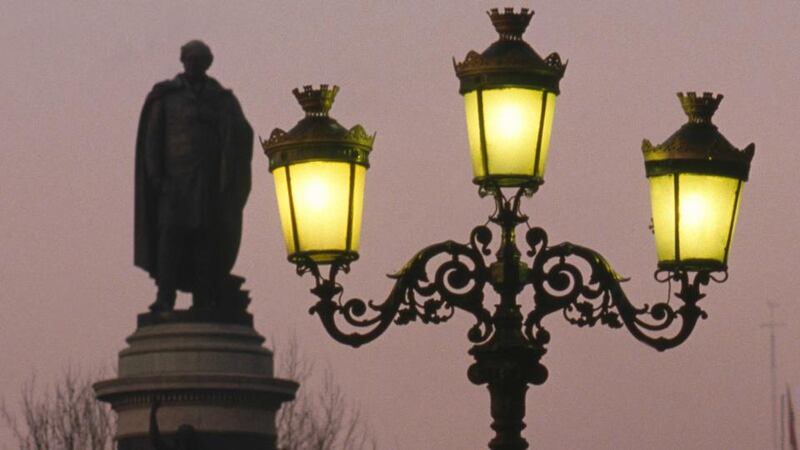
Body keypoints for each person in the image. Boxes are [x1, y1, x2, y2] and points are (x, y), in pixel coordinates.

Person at [134, 40, 253, 312]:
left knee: (206, 242)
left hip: (208, 186)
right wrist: (157, 180)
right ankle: (165, 297)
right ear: (183, 61)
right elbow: (152, 140)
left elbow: (242, 134)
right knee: (170, 242)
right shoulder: (166, 97)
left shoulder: (222, 99)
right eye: (191, 59)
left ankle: (203, 298)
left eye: (201, 59)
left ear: (208, 63)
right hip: (173, 186)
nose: (195, 64)